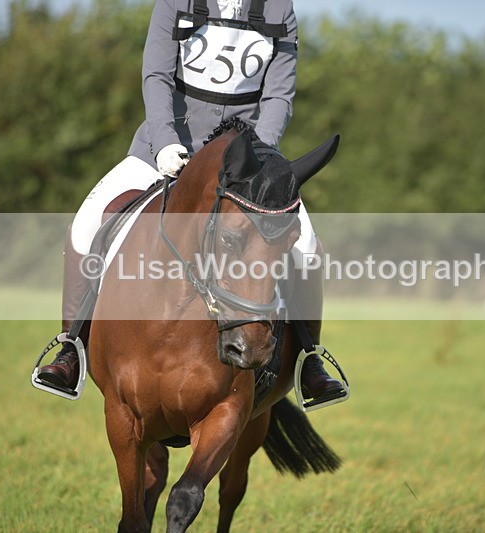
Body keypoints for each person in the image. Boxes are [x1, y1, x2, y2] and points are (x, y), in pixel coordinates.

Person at [38, 0, 343, 402]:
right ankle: (71, 347)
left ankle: (308, 359)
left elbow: (279, 97)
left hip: (245, 163)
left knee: (306, 245)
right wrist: (164, 143)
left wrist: (256, 163)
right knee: (86, 224)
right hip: (165, 149)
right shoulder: (175, 1)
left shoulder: (279, 10)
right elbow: (157, 77)